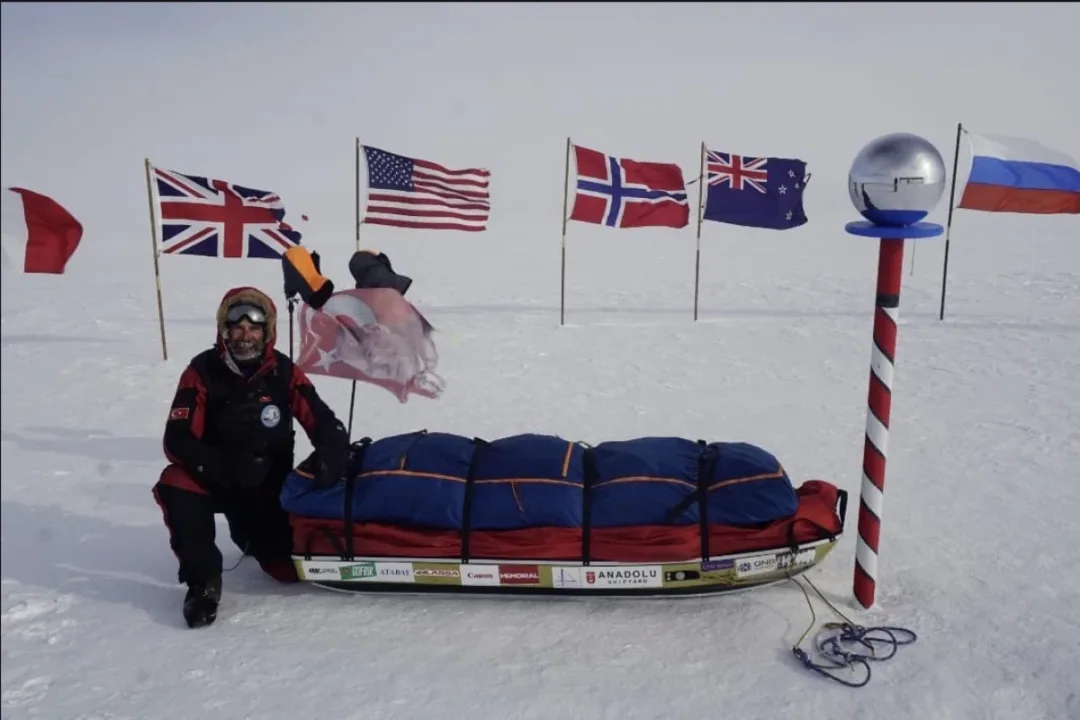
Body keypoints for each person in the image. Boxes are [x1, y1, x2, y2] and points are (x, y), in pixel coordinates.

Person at [152, 286, 350, 629]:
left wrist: (332, 455)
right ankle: (203, 583)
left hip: (267, 490)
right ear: (224, 330)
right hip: (217, 480)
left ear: (267, 332)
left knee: (285, 571)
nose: (245, 336)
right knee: (175, 482)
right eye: (237, 327)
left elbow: (323, 421)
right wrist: (220, 466)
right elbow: (177, 440)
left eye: (254, 327)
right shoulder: (201, 371)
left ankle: (252, 540)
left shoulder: (284, 372)